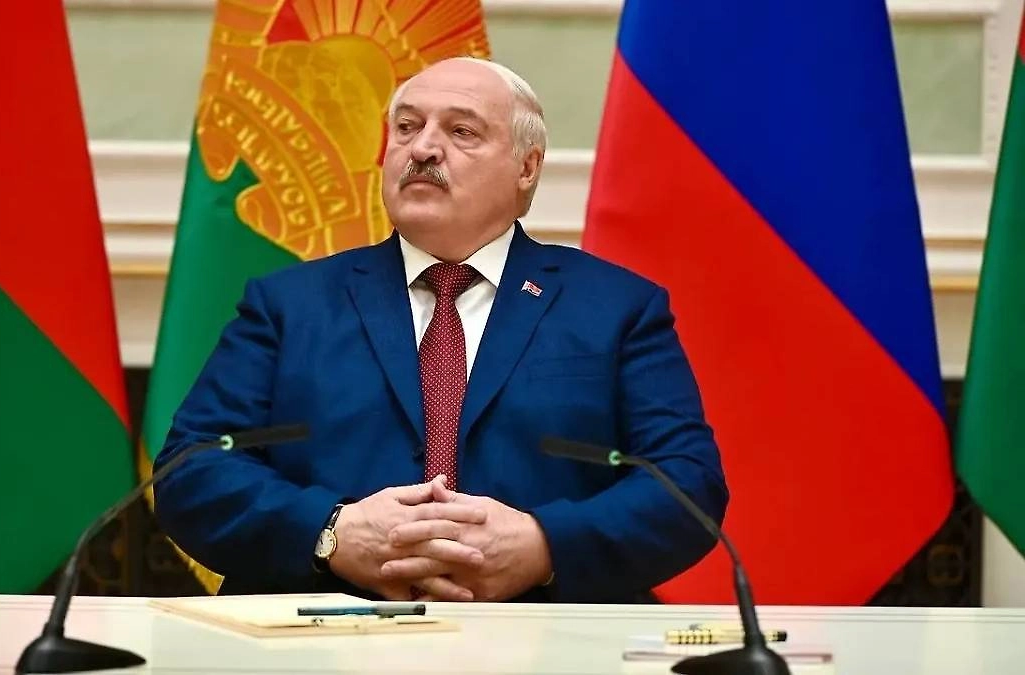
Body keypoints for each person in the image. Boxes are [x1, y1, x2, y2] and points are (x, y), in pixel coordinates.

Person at [153, 57, 728, 603]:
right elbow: (191, 469)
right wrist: (331, 532)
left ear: (527, 167)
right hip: (318, 635)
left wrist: (543, 546)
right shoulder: (288, 305)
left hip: (541, 633)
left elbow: (686, 483)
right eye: (406, 127)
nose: (423, 148)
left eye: (461, 131)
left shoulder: (616, 308)